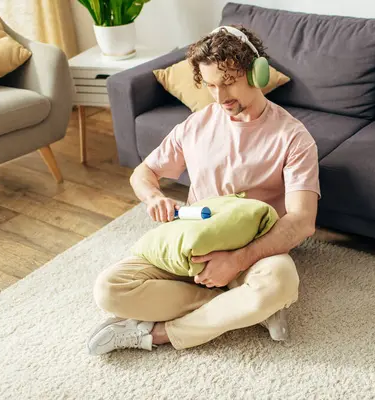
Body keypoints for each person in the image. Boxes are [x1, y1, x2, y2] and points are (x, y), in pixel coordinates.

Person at [86, 25, 321, 355]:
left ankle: (160, 334)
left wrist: (237, 260)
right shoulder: (196, 125)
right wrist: (154, 196)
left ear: (257, 73)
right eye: (211, 86)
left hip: (254, 249)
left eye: (228, 83)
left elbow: (301, 221)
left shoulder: (294, 138)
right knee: (109, 289)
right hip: (193, 244)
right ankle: (240, 309)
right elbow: (144, 173)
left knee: (279, 283)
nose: (221, 97)